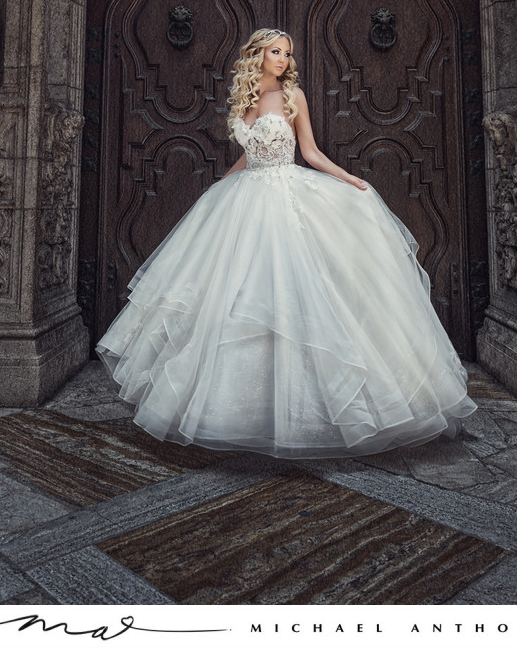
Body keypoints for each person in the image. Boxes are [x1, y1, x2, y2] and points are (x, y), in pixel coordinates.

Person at [96, 28, 476, 458]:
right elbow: (248, 156)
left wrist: (349, 179)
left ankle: (310, 412)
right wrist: (219, 188)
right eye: (276, 51)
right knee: (237, 298)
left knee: (298, 295)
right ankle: (242, 410)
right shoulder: (244, 99)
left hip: (286, 199)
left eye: (287, 53)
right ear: (257, 55)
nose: (283, 59)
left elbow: (310, 153)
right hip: (244, 200)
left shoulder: (294, 97)